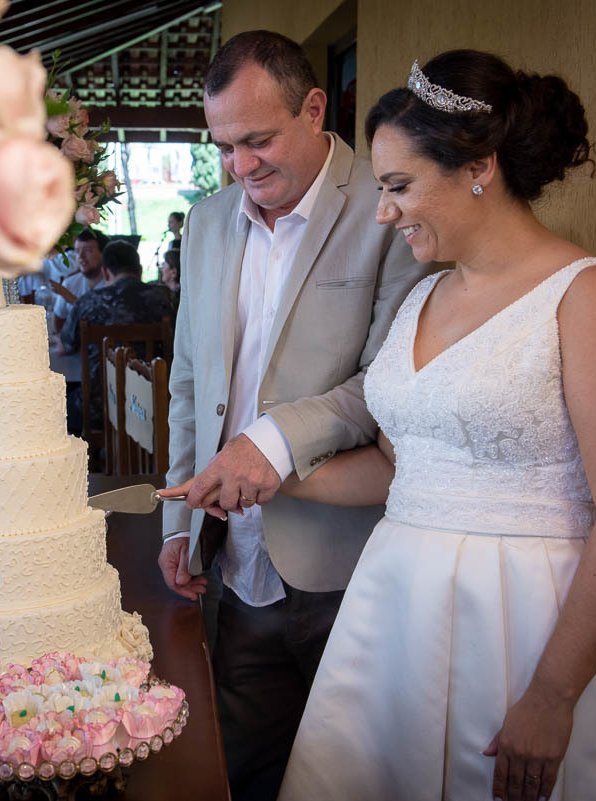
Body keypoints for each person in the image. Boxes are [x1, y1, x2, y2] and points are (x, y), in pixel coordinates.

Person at [273, 51, 596, 801]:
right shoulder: (423, 299)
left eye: (400, 186)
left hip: (536, 622)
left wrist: (552, 693)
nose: (385, 212)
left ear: (479, 166)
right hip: (401, 618)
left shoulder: (594, 296)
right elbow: (403, 467)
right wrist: (277, 479)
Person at [156, 30, 430, 801]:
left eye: (258, 140)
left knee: (357, 776)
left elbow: (387, 380)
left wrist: (271, 442)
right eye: (225, 148)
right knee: (244, 768)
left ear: (314, 108)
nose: (242, 168)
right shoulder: (207, 222)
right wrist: (180, 524)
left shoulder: (388, 204)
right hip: (232, 559)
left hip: (345, 557)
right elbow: (186, 379)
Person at [61, 240, 174, 433]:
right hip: (154, 402)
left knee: (59, 409)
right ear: (139, 270)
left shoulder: (88, 303)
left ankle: (88, 460)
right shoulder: (165, 298)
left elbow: (67, 344)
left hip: (98, 406)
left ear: (105, 272)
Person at [53, 228, 108, 334]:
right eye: (77, 251)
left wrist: (73, 300)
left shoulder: (113, 285)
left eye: (87, 251)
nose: (81, 257)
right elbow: (58, 326)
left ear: (103, 254)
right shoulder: (69, 283)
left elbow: (105, 323)